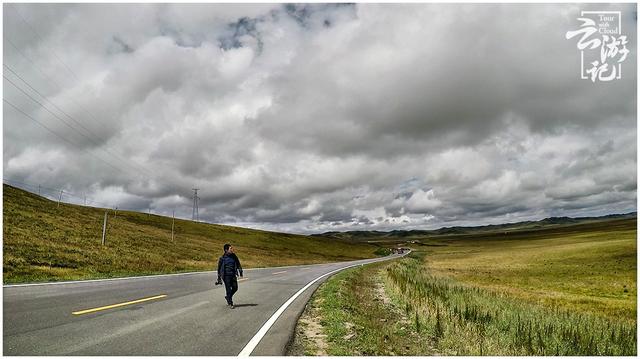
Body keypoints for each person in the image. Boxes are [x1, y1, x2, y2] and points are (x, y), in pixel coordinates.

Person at [216, 244, 243, 308]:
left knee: (235, 288)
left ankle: (228, 297)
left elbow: (238, 263)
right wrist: (219, 277)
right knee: (228, 290)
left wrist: (240, 272)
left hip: (233, 275)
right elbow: (219, 268)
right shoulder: (222, 258)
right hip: (226, 276)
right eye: (230, 248)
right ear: (226, 250)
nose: (232, 249)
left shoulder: (234, 256)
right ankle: (230, 303)